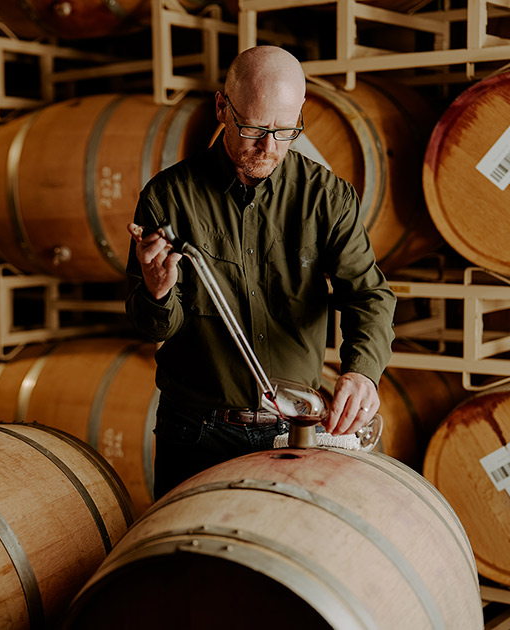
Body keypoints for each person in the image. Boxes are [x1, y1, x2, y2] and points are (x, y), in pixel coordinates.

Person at [125, 45, 396, 499]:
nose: (269, 147)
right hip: (195, 432)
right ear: (221, 108)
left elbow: (368, 294)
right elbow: (152, 325)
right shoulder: (168, 197)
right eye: (253, 128)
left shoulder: (327, 197)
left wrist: (363, 372)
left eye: (285, 130)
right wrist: (157, 291)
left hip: (294, 429)